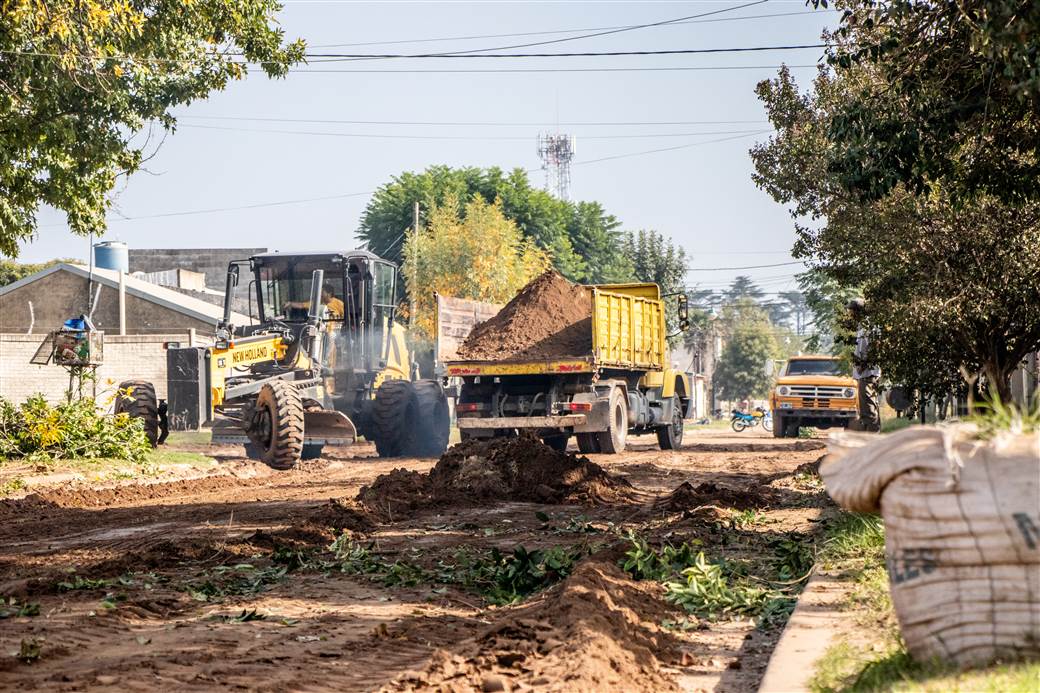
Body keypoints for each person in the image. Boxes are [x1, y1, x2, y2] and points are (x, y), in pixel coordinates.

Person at [848, 298, 881, 432]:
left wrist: (864, 365)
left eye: (852, 311)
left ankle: (873, 445)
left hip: (868, 374)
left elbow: (876, 348)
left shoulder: (869, 327)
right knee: (869, 409)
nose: (850, 314)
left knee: (869, 412)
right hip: (866, 374)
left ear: (858, 312)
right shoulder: (863, 326)